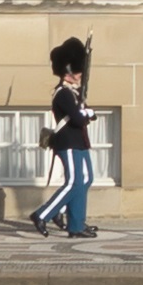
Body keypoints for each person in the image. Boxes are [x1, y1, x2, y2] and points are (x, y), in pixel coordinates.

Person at [28, 36, 97, 238]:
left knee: (85, 180)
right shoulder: (63, 93)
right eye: (77, 70)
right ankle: (44, 214)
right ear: (68, 72)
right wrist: (88, 114)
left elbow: (81, 114)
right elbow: (76, 118)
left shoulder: (73, 93)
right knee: (74, 182)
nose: (80, 74)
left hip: (78, 141)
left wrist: (87, 112)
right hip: (68, 142)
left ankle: (76, 224)